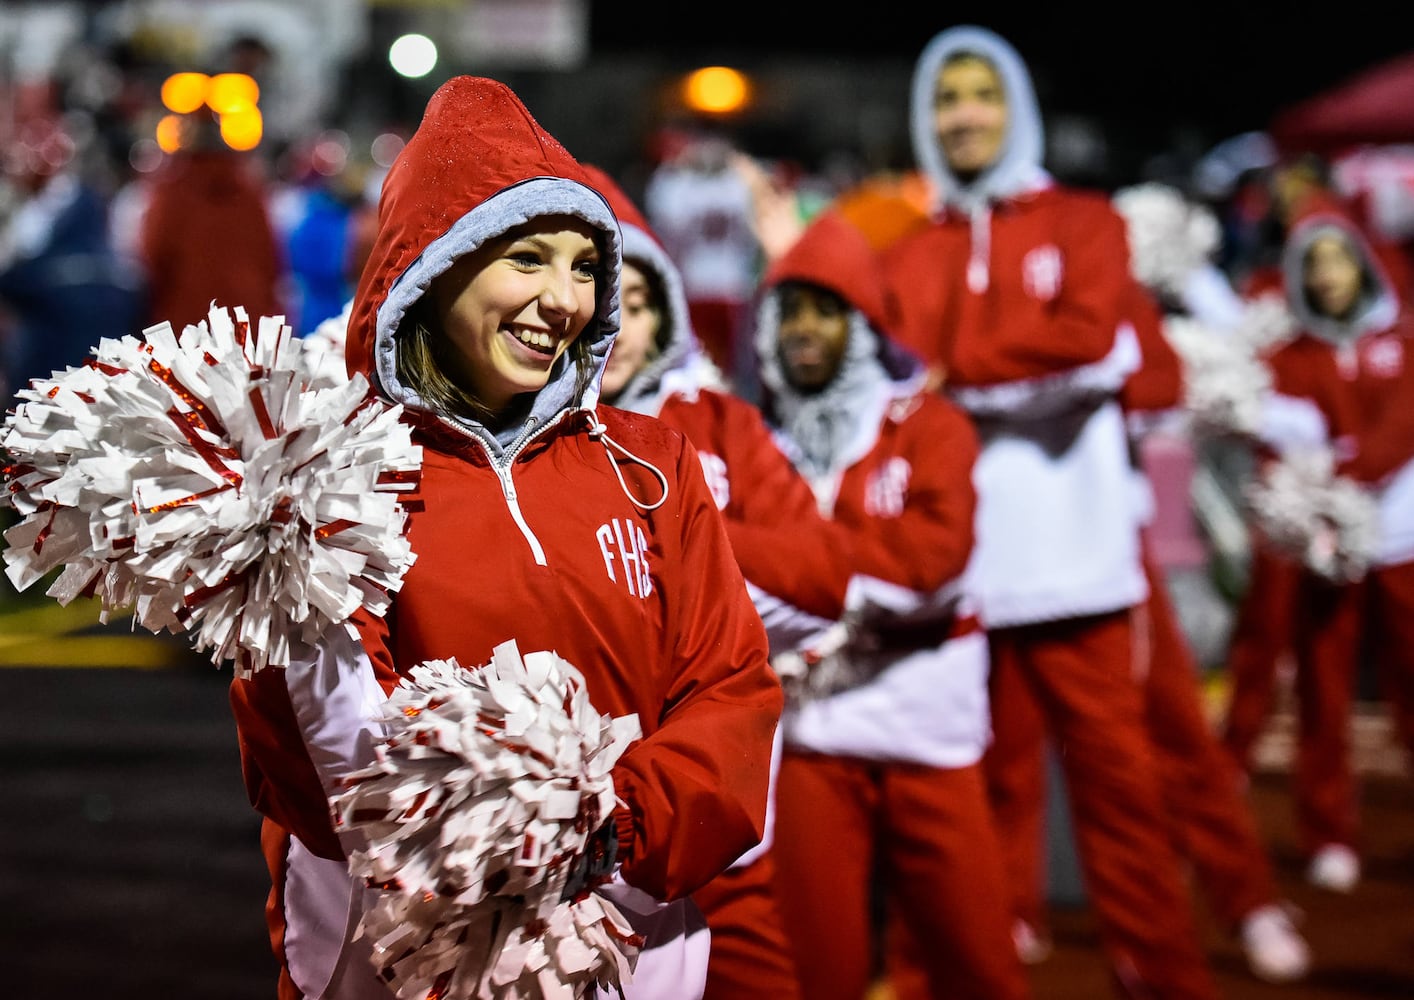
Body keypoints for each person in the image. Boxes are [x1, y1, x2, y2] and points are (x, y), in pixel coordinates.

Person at [226, 76, 784, 1000]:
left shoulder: (651, 465)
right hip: (402, 952)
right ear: (433, 266)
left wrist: (603, 826)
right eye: (527, 258)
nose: (564, 299)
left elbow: (730, 690)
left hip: (627, 938)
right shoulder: (336, 474)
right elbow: (307, 768)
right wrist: (476, 838)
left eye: (582, 265)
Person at [882, 26, 1220, 999]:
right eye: (947, 97)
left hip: (1079, 563)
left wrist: (962, 373)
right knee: (966, 798)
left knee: (1122, 795)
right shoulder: (907, 251)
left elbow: (1093, 345)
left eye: (982, 92)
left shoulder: (1085, 222)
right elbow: (909, 391)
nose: (965, 115)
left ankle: (1163, 975)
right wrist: (1011, 375)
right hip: (959, 568)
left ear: (1015, 102)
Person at [969, 282, 1311, 985]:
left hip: (1103, 555)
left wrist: (1034, 371)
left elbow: (1160, 382)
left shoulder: (1099, 271)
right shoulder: (951, 266)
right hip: (994, 556)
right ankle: (1008, 911)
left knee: (1171, 733)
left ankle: (1242, 900)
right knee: (1002, 747)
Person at [755, 208, 1030, 1000]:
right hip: (811, 732)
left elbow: (935, 562)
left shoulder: (931, 423)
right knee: (818, 965)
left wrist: (803, 569)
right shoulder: (761, 440)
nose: (801, 331)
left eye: (824, 312)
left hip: (922, 720)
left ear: (866, 324)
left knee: (976, 957)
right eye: (788, 314)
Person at [581, 161, 828, 1000]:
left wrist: (684, 546)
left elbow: (821, 579)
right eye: (603, 302)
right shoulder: (531, 448)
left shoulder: (722, 421)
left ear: (668, 313)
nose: (618, 328)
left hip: (725, 839)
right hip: (584, 849)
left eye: (639, 304)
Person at [1251, 200, 1414, 894]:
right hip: (1327, 550)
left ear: (1365, 261)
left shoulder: (1405, 340)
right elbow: (1271, 444)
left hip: (1405, 539)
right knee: (1323, 692)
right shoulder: (1288, 355)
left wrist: (1330, 469)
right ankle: (1328, 831)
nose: (1326, 276)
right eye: (1311, 263)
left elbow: (1398, 433)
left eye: (1337, 258)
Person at [135, 107, 286, 333]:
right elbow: (271, 260)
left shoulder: (172, 193)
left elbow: (153, 256)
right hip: (245, 323)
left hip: (185, 324)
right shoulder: (249, 193)